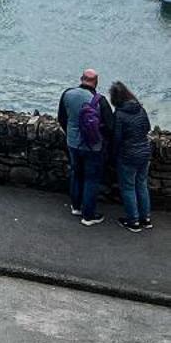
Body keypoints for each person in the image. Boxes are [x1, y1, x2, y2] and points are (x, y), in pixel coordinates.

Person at [57, 66, 111, 225]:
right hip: (93, 146)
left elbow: (61, 118)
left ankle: (75, 206)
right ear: (96, 82)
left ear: (81, 79)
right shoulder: (100, 101)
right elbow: (110, 126)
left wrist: (71, 134)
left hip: (73, 143)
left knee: (76, 173)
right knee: (91, 179)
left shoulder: (67, 94)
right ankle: (88, 216)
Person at [109, 80, 153, 233]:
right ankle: (145, 218)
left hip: (128, 155)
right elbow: (147, 127)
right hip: (145, 152)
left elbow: (117, 138)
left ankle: (133, 221)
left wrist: (112, 155)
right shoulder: (140, 108)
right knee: (141, 184)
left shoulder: (119, 115)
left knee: (128, 187)